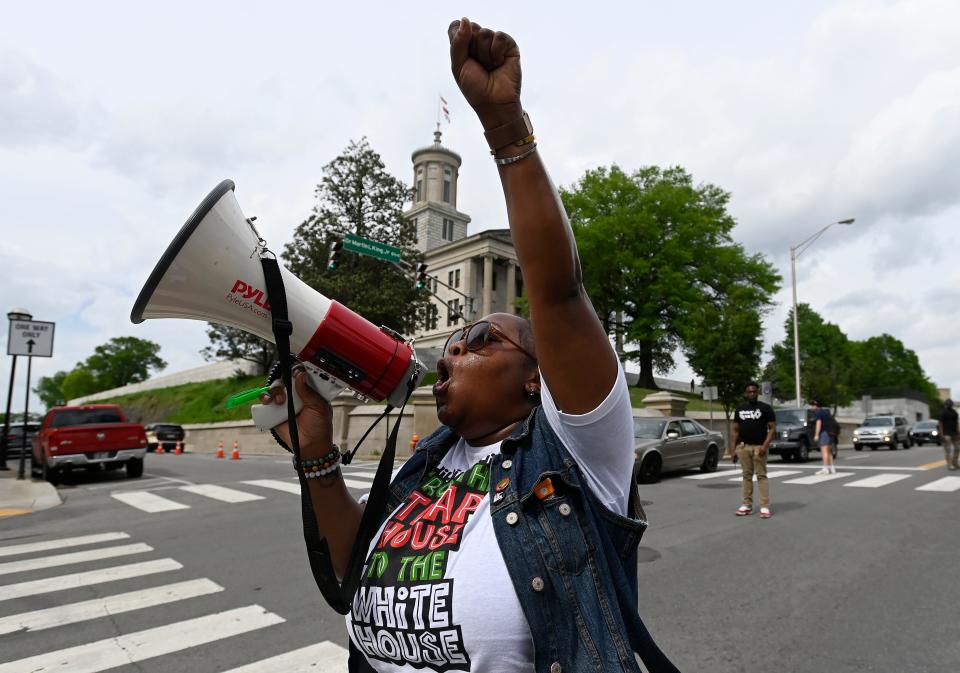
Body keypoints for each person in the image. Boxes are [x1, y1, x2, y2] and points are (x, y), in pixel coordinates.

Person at [262, 18, 679, 673]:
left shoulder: (574, 454)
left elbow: (560, 293)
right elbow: (349, 571)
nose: (452, 353)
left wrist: (506, 128)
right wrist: (316, 452)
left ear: (536, 379)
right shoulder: (428, 462)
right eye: (453, 344)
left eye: (481, 339)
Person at [729, 382, 776, 519]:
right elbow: (735, 431)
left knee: (761, 476)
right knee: (746, 476)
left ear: (758, 392)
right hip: (744, 447)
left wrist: (765, 446)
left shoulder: (765, 408)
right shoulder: (740, 409)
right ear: (745, 394)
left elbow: (772, 428)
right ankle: (747, 505)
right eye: (749, 392)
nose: (752, 394)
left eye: (754, 391)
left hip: (759, 447)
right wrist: (733, 450)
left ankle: (764, 507)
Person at [812, 400, 836, 475]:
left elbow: (818, 424)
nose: (811, 407)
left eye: (812, 405)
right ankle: (831, 468)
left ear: (816, 406)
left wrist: (816, 435)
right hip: (830, 433)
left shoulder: (818, 413)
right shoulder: (826, 412)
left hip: (824, 433)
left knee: (824, 451)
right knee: (829, 452)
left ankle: (825, 469)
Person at [939, 399, 959, 471]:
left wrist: (958, 433)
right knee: (948, 450)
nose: (949, 404)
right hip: (946, 434)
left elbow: (956, 423)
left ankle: (955, 463)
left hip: (954, 433)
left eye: (950, 403)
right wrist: (941, 435)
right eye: (948, 403)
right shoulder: (943, 412)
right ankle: (950, 464)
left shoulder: (955, 413)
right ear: (946, 404)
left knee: (957, 448)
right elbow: (940, 424)